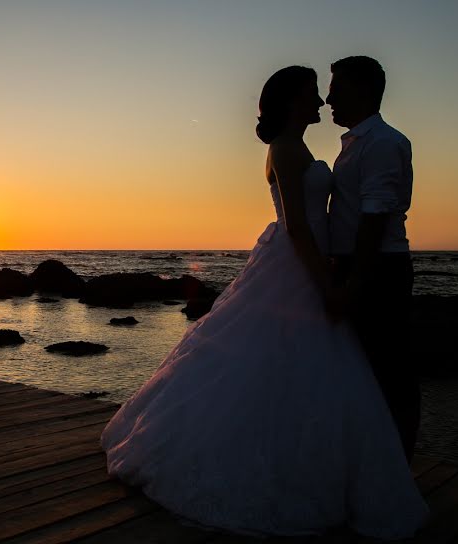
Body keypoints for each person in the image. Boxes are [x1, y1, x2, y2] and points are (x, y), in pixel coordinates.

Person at [99, 65, 430, 539]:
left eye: (327, 93)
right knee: (284, 366)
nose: (322, 102)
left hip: (315, 262)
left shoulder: (322, 145)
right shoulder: (287, 148)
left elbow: (359, 211)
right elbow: (298, 225)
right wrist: (328, 285)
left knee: (307, 371)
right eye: (315, 95)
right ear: (293, 101)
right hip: (300, 266)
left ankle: (333, 467)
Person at [324, 55, 419, 463]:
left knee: (388, 370)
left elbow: (375, 216)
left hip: (376, 268)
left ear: (363, 91)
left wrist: (354, 283)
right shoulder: (357, 142)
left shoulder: (381, 143)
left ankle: (396, 466)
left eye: (337, 89)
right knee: (364, 369)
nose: (328, 98)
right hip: (359, 264)